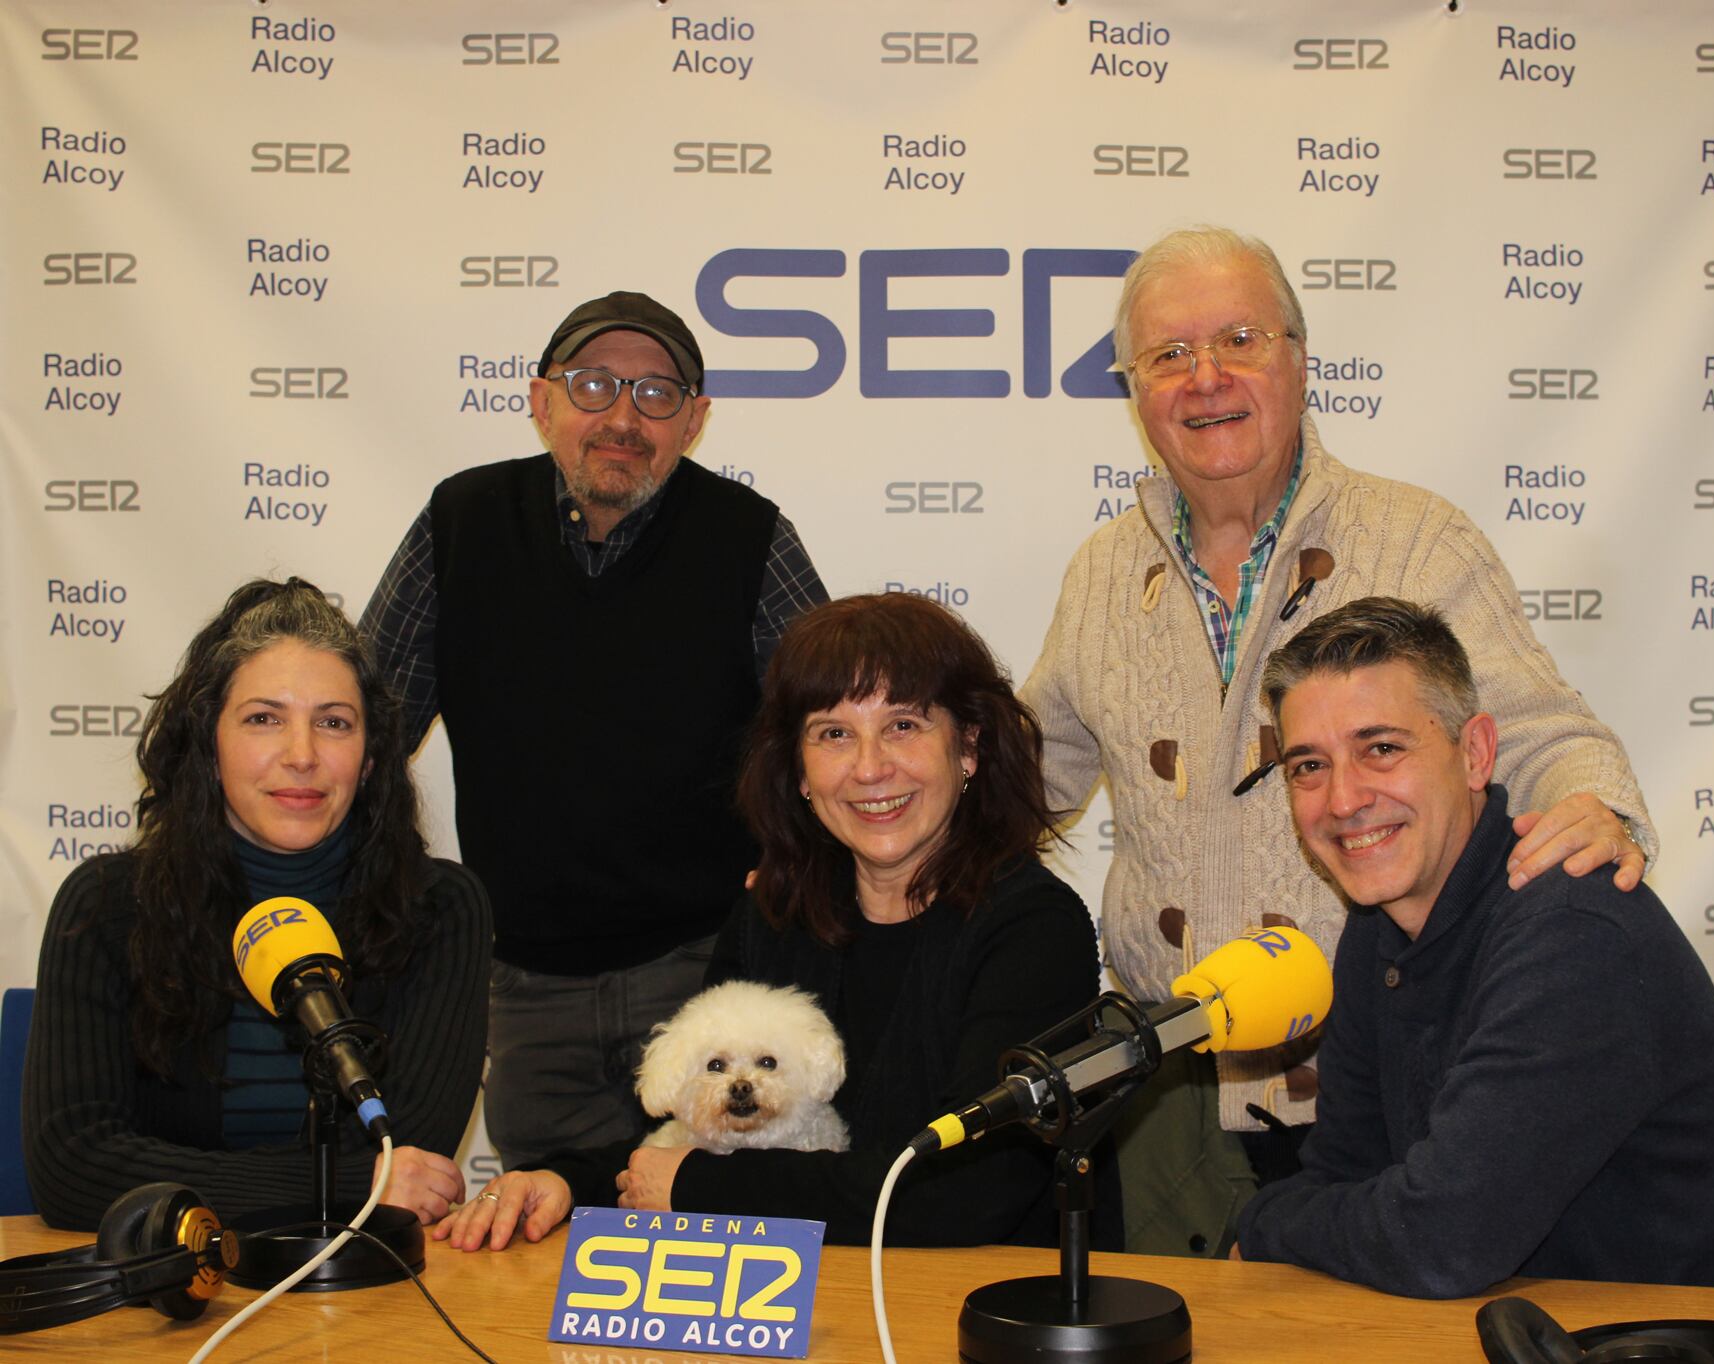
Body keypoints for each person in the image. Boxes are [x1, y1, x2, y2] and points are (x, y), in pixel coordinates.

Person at [1019, 225, 1658, 1256]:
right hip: (1172, 1097)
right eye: (1168, 355)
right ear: (1134, 392)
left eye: (1239, 340)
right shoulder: (1102, 570)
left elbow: (1539, 731)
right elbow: (1019, 779)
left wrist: (1597, 809)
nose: (1206, 377)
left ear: (1300, 358)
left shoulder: (1418, 539)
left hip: (1383, 1080)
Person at [433, 593, 1110, 1251]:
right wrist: (566, 1180)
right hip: (806, 1301)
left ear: (968, 747)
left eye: (903, 725)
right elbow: (699, 1134)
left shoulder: (1034, 929)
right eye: (834, 733)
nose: (870, 767)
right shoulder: (775, 914)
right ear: (801, 770)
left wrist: (700, 1188)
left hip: (982, 1301)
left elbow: (970, 1192)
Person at [361, 291, 830, 1169]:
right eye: (593, 385)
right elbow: (365, 734)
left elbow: (830, 728)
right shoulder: (461, 523)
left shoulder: (749, 538)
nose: (623, 418)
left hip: (709, 978)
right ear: (542, 402)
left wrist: (807, 870)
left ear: (694, 421)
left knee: (713, 1221)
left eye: (656, 394)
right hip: (526, 988)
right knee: (544, 1229)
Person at [1232, 597, 1714, 1295]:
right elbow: (1345, 1173)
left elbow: (1442, 1240)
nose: (1343, 800)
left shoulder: (1575, 933)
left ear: (1476, 754)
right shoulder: (1377, 928)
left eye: (1381, 749)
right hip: (1482, 1329)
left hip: (1660, 1339)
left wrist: (1263, 1222)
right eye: (1309, 766)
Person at [23, 578, 491, 1230]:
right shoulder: (104, 907)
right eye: (264, 719)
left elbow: (412, 1163)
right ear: (208, 743)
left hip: (364, 1280)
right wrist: (346, 1184)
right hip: (169, 1283)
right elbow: (72, 1168)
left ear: (371, 757)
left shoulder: (440, 910)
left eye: (334, 722)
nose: (302, 755)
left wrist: (190, 1183)